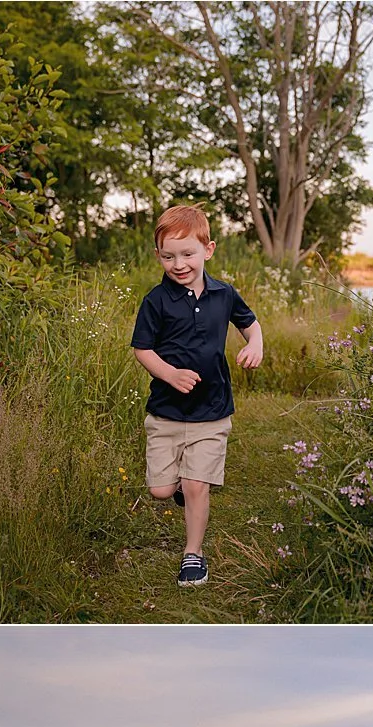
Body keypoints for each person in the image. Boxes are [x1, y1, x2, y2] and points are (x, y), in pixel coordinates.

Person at [131, 204, 263, 591]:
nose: (179, 263)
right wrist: (169, 373)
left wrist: (255, 345)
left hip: (212, 410)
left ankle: (193, 554)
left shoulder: (225, 294)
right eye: (169, 256)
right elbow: (142, 349)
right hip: (166, 413)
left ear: (208, 249)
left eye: (187, 253)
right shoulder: (156, 301)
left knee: (195, 485)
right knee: (160, 490)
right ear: (158, 256)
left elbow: (250, 325)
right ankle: (179, 492)